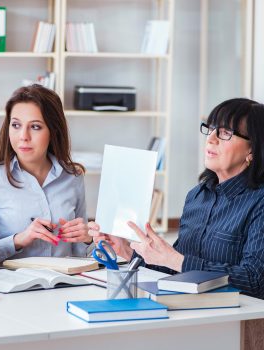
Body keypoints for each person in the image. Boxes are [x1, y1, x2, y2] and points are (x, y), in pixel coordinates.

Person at [89, 97, 264, 299]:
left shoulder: (259, 201)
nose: (211, 138)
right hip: (186, 309)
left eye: (225, 133)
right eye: (212, 128)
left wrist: (176, 260)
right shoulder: (197, 196)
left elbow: (256, 280)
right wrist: (127, 250)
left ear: (252, 148)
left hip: (238, 320)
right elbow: (175, 270)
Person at [0, 84, 93, 261]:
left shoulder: (73, 176)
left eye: (35, 127)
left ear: (53, 130)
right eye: (16, 125)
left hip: (66, 284)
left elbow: (81, 253)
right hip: (11, 285)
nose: (23, 136)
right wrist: (19, 240)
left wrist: (88, 239)